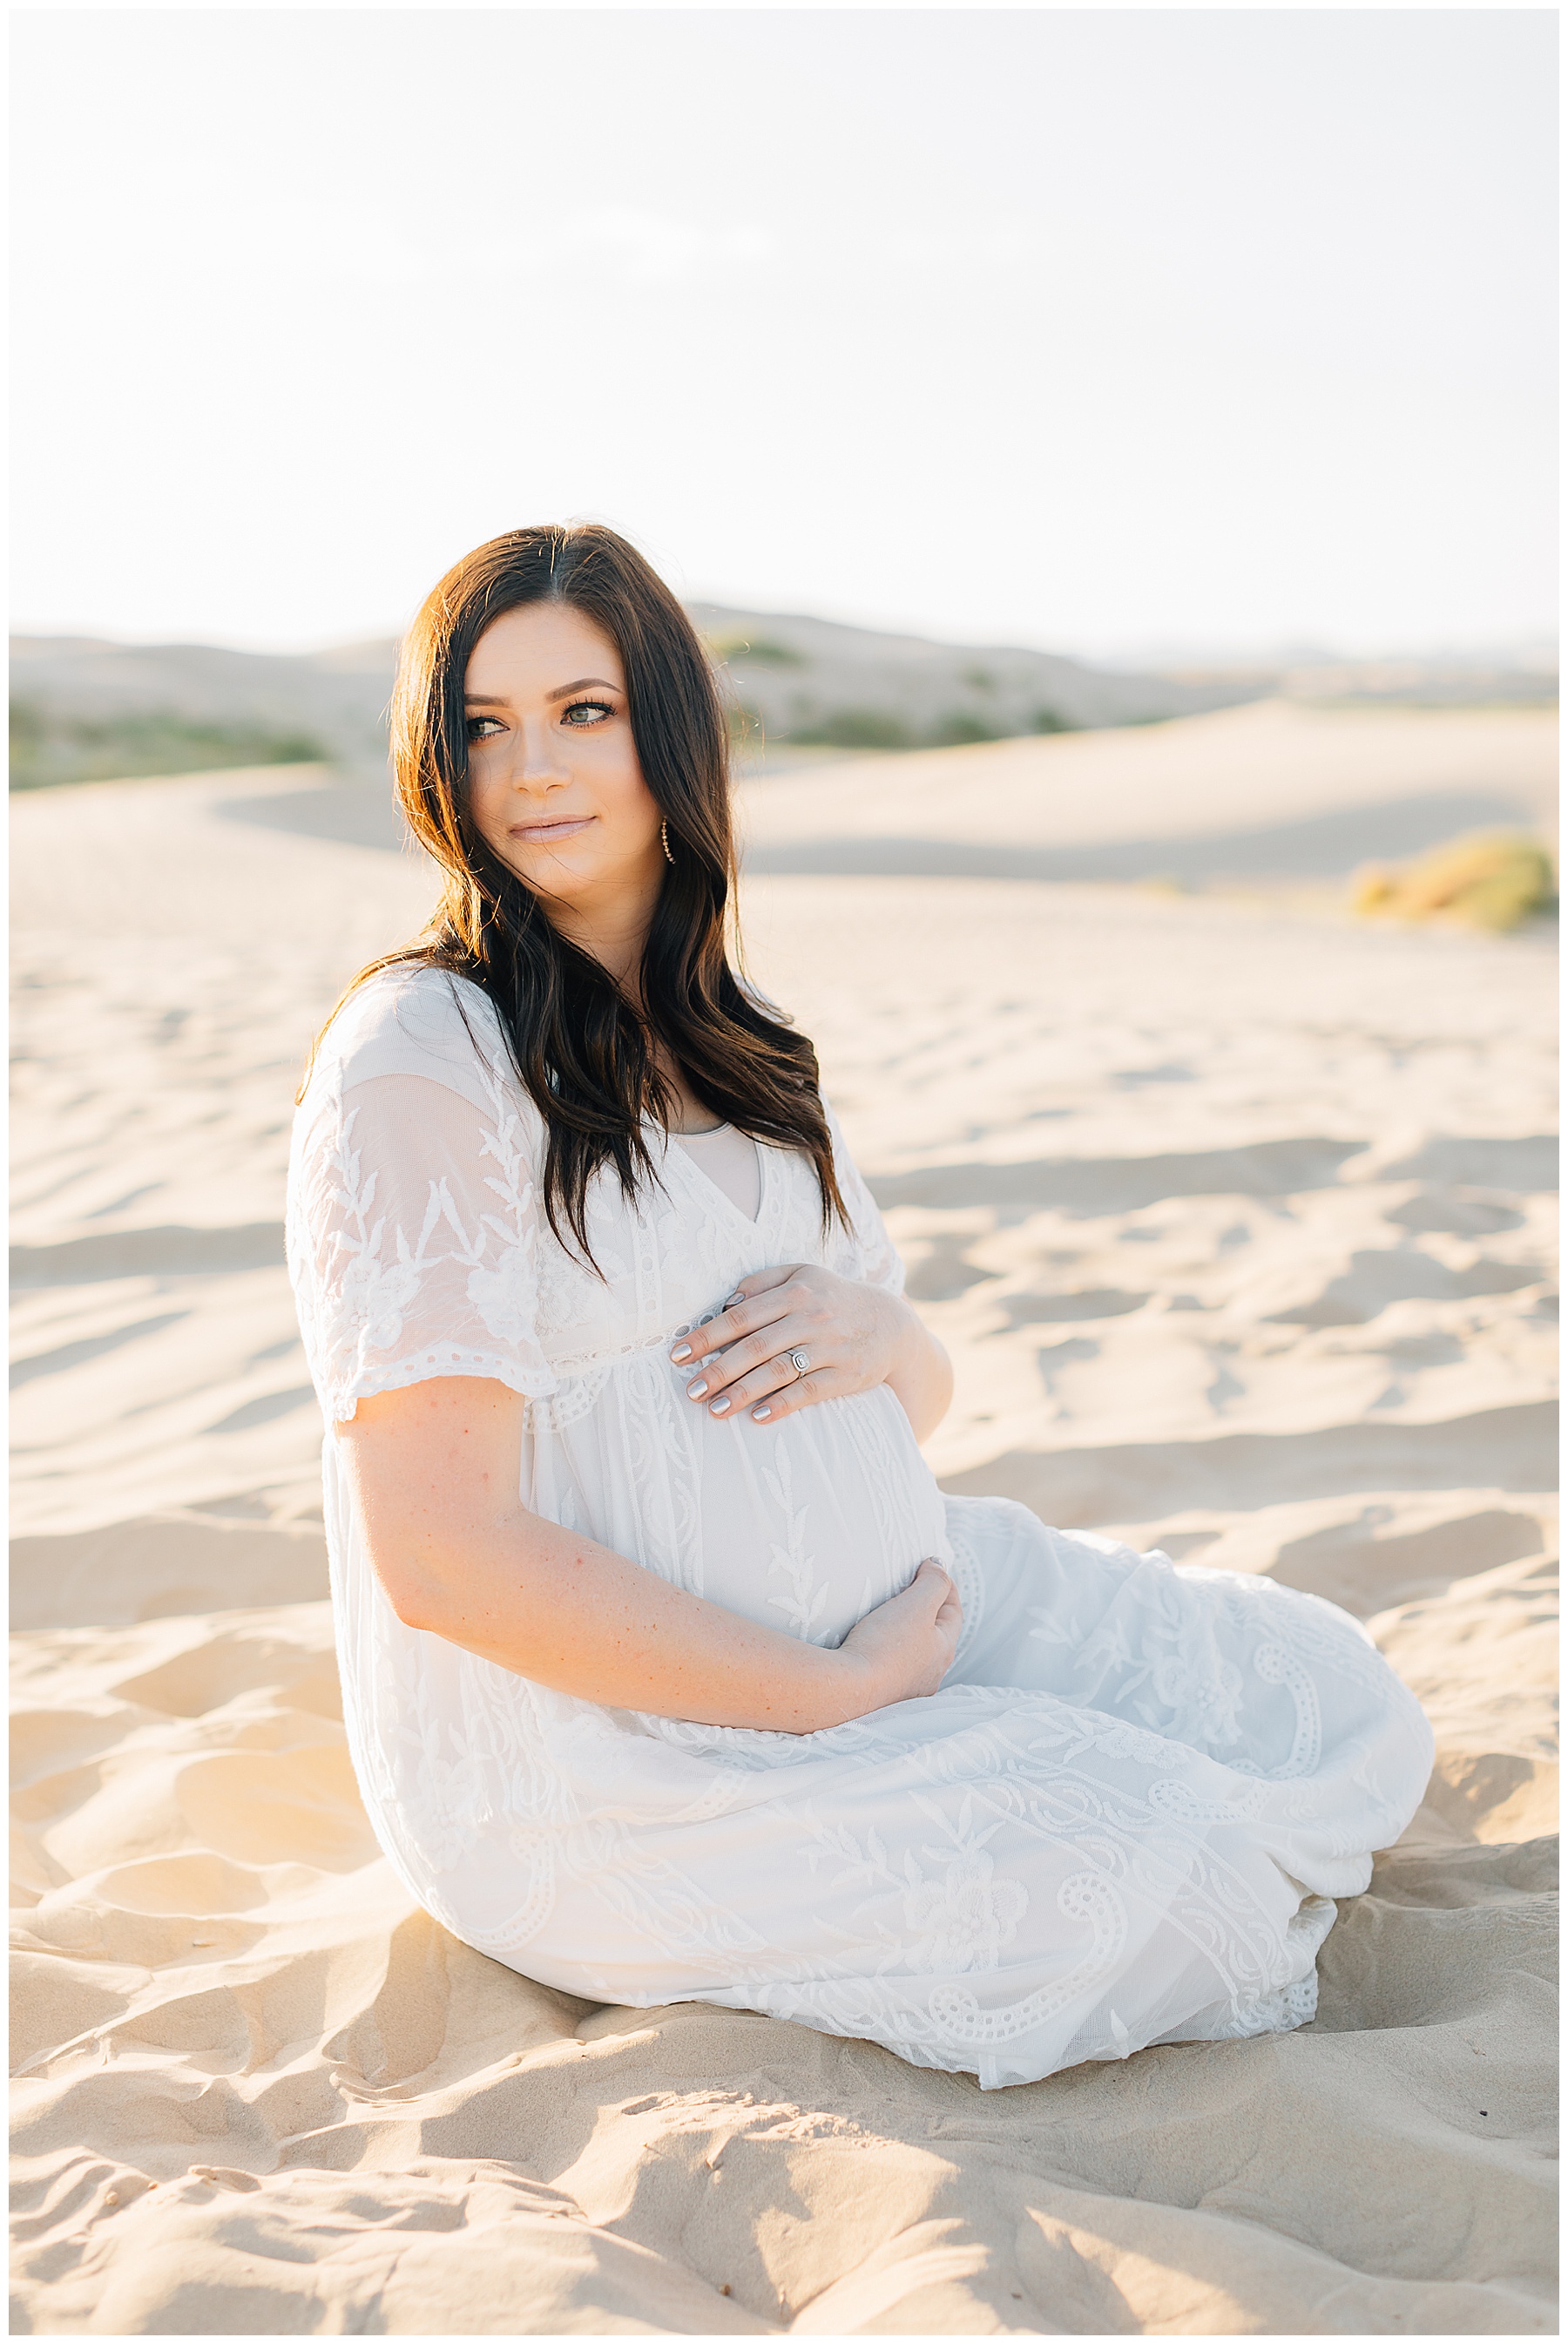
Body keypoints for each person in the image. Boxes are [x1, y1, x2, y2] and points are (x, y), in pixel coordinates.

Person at [287, 524, 1434, 2089]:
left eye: (584, 711)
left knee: (1328, 1698)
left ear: (671, 731)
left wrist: (891, 1344)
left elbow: (912, 1391)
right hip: (625, 1754)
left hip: (912, 1608)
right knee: (1169, 1872)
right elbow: (442, 1555)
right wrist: (833, 1695)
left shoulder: (742, 1046)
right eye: (483, 727)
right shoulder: (425, 1050)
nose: (531, 770)